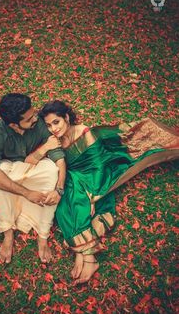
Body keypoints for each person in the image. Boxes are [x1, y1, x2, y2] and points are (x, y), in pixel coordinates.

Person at [32, 100, 179, 284]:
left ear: (66, 118)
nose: (53, 128)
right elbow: (37, 162)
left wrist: (91, 198)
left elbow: (99, 168)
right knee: (63, 199)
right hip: (73, 183)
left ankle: (85, 255)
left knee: (72, 187)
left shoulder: (85, 133)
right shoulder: (54, 141)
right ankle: (85, 253)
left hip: (96, 180)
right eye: (48, 125)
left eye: (56, 122)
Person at [0, 93, 66, 264]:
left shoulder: (38, 123)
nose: (36, 118)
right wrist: (27, 193)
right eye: (29, 119)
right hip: (11, 170)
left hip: (33, 169)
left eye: (34, 113)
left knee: (51, 169)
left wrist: (59, 189)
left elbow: (59, 158)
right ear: (13, 124)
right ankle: (8, 233)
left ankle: (43, 235)